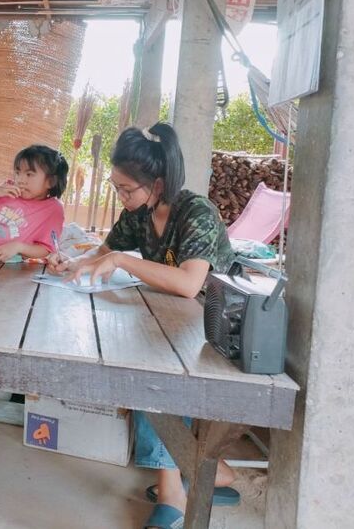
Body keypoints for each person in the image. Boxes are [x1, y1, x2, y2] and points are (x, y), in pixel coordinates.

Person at [47, 122, 239, 529]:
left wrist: (122, 261)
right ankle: (208, 470)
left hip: (217, 326)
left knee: (151, 367)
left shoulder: (196, 212)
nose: (121, 197)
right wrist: (72, 263)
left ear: (158, 184)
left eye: (126, 189)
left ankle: (173, 494)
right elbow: (104, 251)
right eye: (116, 187)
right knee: (141, 349)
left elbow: (189, 284)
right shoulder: (140, 213)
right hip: (175, 318)